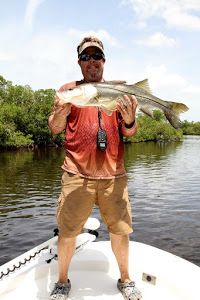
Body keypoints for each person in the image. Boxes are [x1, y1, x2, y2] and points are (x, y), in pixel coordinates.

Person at [48, 36, 142, 300]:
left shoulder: (118, 92)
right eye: (87, 57)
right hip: (76, 175)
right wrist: (62, 110)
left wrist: (130, 118)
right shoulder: (69, 90)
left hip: (114, 175)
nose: (92, 61)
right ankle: (62, 281)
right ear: (79, 62)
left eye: (97, 56)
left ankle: (125, 279)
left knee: (121, 231)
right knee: (67, 232)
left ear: (104, 61)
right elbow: (55, 128)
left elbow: (130, 132)